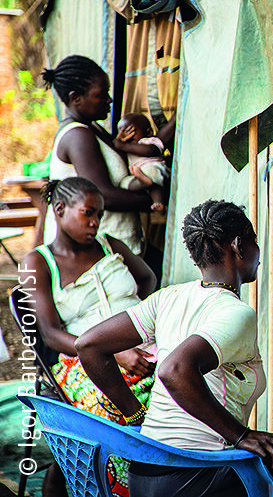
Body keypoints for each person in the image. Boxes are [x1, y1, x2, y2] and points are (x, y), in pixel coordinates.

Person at [75, 199, 273, 497]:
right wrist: (240, 435)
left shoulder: (169, 298)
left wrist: (136, 415)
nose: (258, 252)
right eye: (254, 241)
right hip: (198, 475)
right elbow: (175, 370)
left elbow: (88, 345)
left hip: (145, 474)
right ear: (238, 246)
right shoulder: (235, 313)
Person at [22, 177, 157, 497]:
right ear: (59, 210)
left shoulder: (111, 245)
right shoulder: (39, 262)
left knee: (182, 378)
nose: (96, 222)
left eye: (100, 215)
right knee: (112, 410)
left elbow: (147, 278)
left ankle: (176, 476)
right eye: (88, 213)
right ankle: (119, 487)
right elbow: (51, 334)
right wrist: (111, 350)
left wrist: (134, 325)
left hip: (142, 345)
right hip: (81, 358)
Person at [41, 55, 154, 254]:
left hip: (114, 243)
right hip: (100, 250)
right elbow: (103, 195)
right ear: (75, 98)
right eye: (102, 94)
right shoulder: (78, 136)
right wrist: (153, 200)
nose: (109, 99)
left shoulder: (93, 128)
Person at [113, 112, 170, 213]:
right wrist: (118, 142)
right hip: (139, 176)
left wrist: (122, 146)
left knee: (153, 177)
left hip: (154, 168)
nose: (128, 136)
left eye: (132, 132)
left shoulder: (148, 141)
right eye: (124, 132)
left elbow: (151, 151)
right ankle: (143, 182)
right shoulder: (126, 147)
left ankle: (159, 204)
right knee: (124, 184)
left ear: (148, 132)